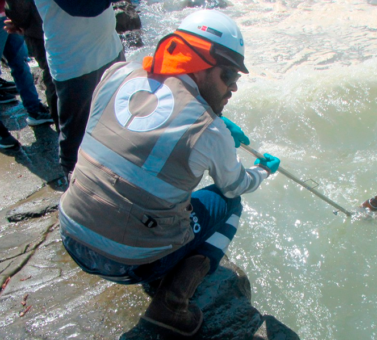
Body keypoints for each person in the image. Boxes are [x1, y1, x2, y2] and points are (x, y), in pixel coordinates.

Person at [59, 10, 281, 337]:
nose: (233, 88)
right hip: (127, 264)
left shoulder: (117, 74)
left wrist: (214, 125)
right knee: (229, 206)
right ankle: (172, 303)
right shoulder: (210, 129)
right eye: (229, 76)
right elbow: (235, 186)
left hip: (70, 233)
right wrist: (262, 169)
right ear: (199, 64)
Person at [33, 0, 125, 177]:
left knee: (117, 123)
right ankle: (75, 192)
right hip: (76, 66)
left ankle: (112, 179)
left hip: (111, 50)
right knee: (75, 140)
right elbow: (85, 6)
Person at [4, 0, 59, 131]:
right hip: (36, 24)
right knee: (53, 75)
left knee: (22, 64)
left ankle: (35, 110)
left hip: (33, 24)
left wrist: (19, 21)